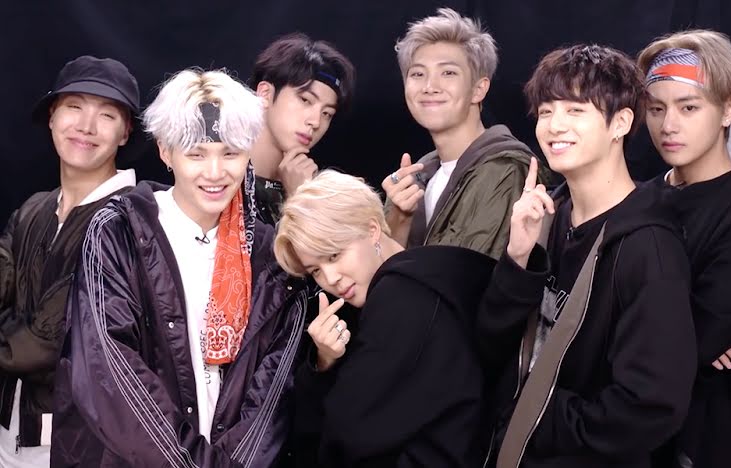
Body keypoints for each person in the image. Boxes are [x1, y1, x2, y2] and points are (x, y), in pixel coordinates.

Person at [51, 68, 308, 467]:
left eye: (230, 153)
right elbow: (109, 369)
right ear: (166, 152)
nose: (215, 172)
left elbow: (273, 392)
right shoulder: (119, 230)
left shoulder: (271, 255)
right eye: (196, 154)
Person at [476, 44, 697, 468]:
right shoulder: (548, 215)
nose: (554, 125)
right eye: (546, 111)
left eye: (575, 110)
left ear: (621, 123)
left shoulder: (648, 247)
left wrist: (538, 413)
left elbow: (651, 406)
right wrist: (518, 257)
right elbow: (490, 346)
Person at [274, 170, 495, 467]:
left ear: (372, 230)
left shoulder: (400, 297)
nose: (330, 278)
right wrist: (324, 361)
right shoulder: (432, 276)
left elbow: (340, 438)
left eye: (334, 255)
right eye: (315, 270)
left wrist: (320, 374)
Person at [638, 30, 731, 468]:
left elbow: (695, 341)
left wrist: (688, 336)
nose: (668, 125)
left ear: (729, 108)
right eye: (656, 108)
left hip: (716, 435)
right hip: (636, 433)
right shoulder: (639, 199)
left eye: (689, 107)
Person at [0, 55, 139, 467]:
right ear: (52, 117)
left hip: (81, 447)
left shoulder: (131, 220)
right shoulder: (33, 210)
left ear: (125, 132)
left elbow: (49, 343)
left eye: (107, 114)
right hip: (9, 437)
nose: (86, 126)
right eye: (74, 106)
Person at [384, 7, 547, 260]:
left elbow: (467, 276)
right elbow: (379, 275)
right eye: (417, 74)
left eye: (448, 73)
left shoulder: (504, 170)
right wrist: (399, 221)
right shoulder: (416, 178)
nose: (429, 86)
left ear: (479, 89)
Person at [248, 33, 356, 224]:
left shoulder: (321, 191)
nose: (316, 122)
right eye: (306, 100)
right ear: (265, 93)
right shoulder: (219, 177)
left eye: (327, 113)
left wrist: (301, 195)